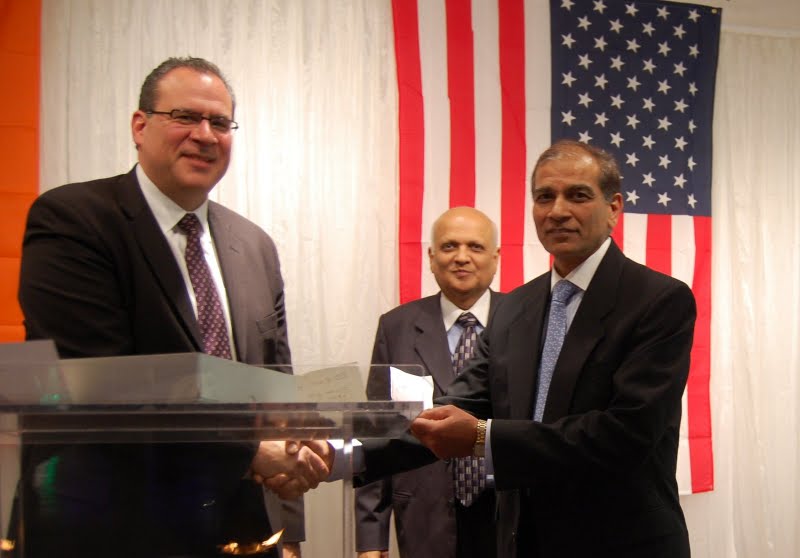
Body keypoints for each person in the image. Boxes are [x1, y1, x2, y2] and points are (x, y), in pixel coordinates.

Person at [17, 57, 323, 558]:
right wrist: (250, 453)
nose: (204, 135)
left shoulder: (256, 246)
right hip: (111, 530)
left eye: (220, 123)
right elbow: (96, 386)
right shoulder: (75, 221)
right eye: (185, 116)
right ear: (140, 127)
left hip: (243, 530)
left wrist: (299, 459)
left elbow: (276, 386)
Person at [408, 140, 696, 557]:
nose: (557, 210)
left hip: (621, 544)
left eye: (577, 195)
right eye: (545, 197)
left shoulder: (658, 300)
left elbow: (626, 434)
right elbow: (456, 405)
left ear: (614, 207)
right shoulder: (513, 308)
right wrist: (344, 452)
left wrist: (483, 437)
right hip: (523, 542)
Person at [355, 207, 501, 558]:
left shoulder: (525, 321)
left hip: (506, 513)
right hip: (423, 515)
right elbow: (377, 429)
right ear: (431, 257)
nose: (461, 257)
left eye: (475, 247)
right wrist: (371, 540)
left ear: (495, 257)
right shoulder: (396, 327)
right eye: (449, 246)